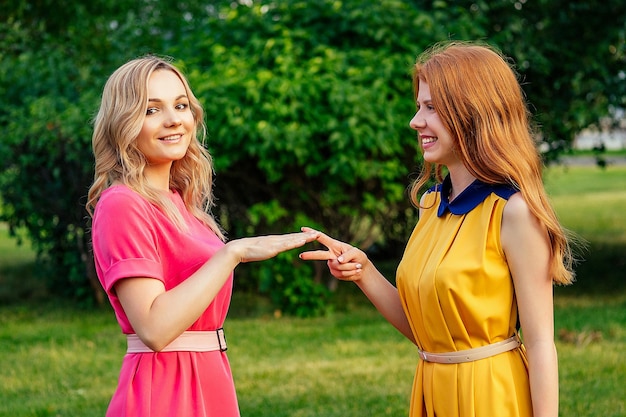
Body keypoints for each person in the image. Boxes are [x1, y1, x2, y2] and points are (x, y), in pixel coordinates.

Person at [300, 41, 575, 417]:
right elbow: (430, 330)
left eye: (431, 108)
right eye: (418, 106)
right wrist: (364, 272)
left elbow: (542, 343)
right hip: (431, 390)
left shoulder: (514, 212)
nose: (416, 121)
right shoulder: (430, 204)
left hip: (492, 397)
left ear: (472, 113)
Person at [86, 55, 318, 417]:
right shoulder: (123, 204)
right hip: (165, 388)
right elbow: (154, 327)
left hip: (209, 376)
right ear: (123, 123)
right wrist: (232, 254)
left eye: (180, 105)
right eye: (151, 110)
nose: (174, 119)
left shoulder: (181, 203)